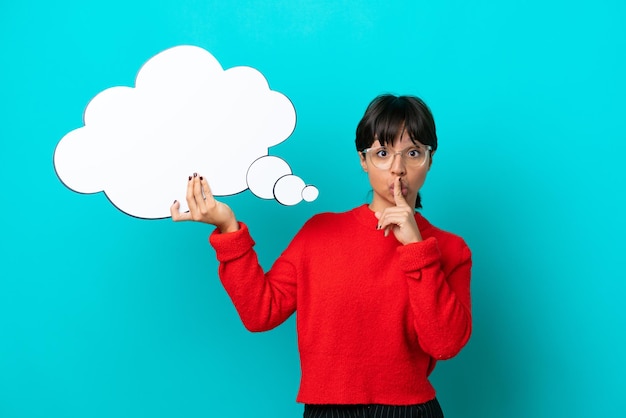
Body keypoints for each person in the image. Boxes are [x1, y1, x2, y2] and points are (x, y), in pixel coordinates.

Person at [171, 94, 472, 418]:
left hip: (411, 411)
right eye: (382, 153)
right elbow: (261, 311)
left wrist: (415, 248)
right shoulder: (320, 233)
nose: (398, 169)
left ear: (429, 159)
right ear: (363, 159)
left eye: (413, 153)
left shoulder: (450, 248)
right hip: (328, 410)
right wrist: (228, 229)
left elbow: (445, 344)